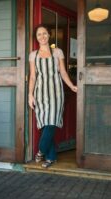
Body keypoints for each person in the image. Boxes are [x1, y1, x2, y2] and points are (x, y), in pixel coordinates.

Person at [28, 24, 77, 168]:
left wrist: (72, 86)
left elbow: (62, 72)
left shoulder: (57, 52)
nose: (42, 36)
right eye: (39, 34)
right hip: (40, 94)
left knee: (51, 123)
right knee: (44, 125)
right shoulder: (33, 55)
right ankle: (51, 157)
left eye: (44, 33)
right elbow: (32, 77)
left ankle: (41, 151)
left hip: (56, 93)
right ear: (36, 38)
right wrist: (30, 95)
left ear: (49, 35)